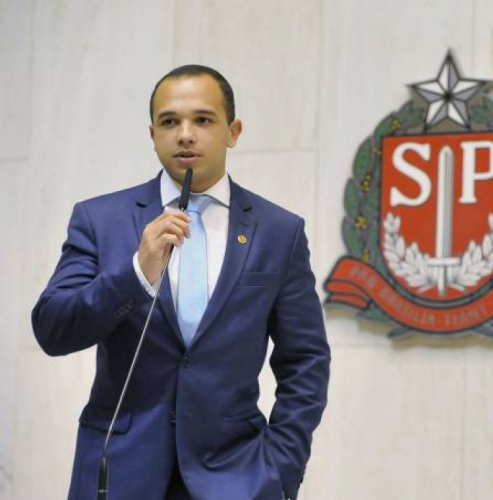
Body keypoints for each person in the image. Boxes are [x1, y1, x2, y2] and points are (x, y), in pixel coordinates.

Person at [31, 65, 331, 500]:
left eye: (203, 120)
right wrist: (136, 272)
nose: (185, 135)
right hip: (119, 474)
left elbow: (305, 361)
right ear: (152, 133)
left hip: (238, 476)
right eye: (170, 122)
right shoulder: (100, 219)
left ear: (234, 131)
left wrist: (281, 468)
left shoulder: (279, 231)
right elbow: (53, 330)